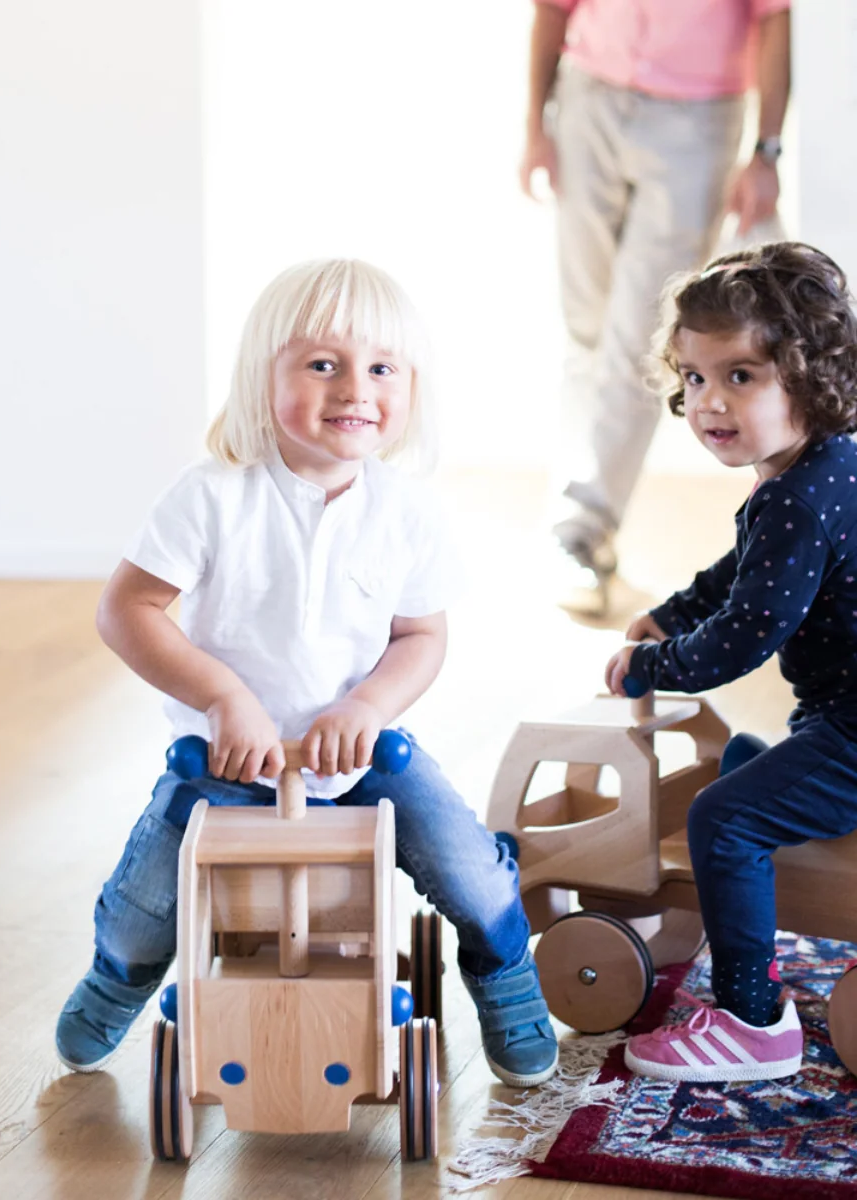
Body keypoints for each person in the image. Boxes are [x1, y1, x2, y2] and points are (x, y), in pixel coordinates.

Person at [56, 259, 558, 1087]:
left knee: (468, 867)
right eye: (323, 364)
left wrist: (369, 705)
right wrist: (223, 699)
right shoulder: (213, 494)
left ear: (410, 390)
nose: (354, 387)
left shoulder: (407, 510)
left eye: (381, 368)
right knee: (149, 906)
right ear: (264, 379)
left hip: (363, 759)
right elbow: (127, 611)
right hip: (227, 762)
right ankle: (119, 974)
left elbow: (421, 636)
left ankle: (505, 971)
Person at [604, 243, 857, 1082]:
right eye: (695, 377)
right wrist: (667, 613)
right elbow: (734, 576)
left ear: (810, 375)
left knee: (725, 815)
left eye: (740, 376)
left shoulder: (795, 498)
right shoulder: (815, 471)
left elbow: (743, 634)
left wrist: (654, 663)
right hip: (837, 715)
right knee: (748, 766)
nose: (710, 402)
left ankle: (753, 1020)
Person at [520, 0, 792, 613]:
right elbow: (553, 8)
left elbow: (776, 17)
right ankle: (571, 520)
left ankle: (583, 529)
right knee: (586, 329)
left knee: (641, 335)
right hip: (588, 97)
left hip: (696, 119)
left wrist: (766, 151)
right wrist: (536, 124)